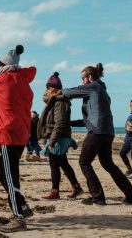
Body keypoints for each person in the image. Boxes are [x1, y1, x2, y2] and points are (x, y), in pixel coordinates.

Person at [0, 45, 36, 233]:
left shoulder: (4, 81)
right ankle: (23, 205)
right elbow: (29, 70)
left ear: (5, 66)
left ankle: (18, 217)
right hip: (20, 133)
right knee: (2, 173)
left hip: (7, 134)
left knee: (10, 177)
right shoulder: (23, 79)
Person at [62, 63, 132, 205]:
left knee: (84, 162)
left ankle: (98, 197)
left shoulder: (94, 87)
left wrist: (56, 92)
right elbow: (89, 119)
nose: (82, 81)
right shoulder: (101, 91)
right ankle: (131, 195)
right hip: (107, 131)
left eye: (83, 78)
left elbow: (68, 93)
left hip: (98, 132)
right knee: (108, 164)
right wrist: (70, 123)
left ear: (90, 77)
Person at [38, 72, 83, 200]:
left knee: (54, 164)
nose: (45, 90)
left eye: (48, 88)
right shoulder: (54, 102)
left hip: (58, 137)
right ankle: (76, 187)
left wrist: (51, 142)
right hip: (57, 136)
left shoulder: (60, 103)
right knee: (63, 163)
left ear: (53, 89)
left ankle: (55, 191)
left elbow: (60, 123)